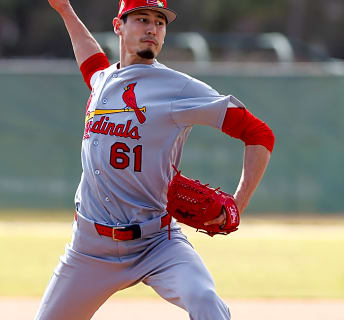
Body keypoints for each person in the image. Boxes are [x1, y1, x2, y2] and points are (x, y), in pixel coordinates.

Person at [37, 0, 274, 319]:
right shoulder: (103, 79)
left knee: (204, 299)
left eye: (159, 22)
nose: (152, 28)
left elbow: (258, 133)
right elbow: (91, 61)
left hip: (156, 243)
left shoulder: (178, 88)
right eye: (142, 19)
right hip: (90, 248)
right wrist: (65, 10)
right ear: (118, 26)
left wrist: (237, 205)